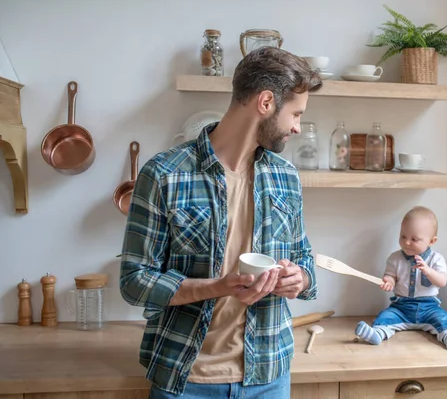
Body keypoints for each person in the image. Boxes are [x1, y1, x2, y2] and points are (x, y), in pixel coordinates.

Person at [119, 47, 322, 398]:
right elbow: (135, 282)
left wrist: (299, 278)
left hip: (269, 376)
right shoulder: (165, 173)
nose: (297, 127)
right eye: (296, 114)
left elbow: (305, 260)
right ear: (266, 102)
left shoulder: (286, 177)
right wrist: (219, 286)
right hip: (186, 379)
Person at [354, 206, 447, 350]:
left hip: (429, 307)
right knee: (386, 316)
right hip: (401, 307)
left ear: (431, 241)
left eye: (414, 239)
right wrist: (389, 281)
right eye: (403, 236)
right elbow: (391, 275)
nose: (406, 242)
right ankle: (377, 334)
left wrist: (428, 271)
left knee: (443, 319)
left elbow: (442, 281)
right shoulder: (395, 258)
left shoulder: (436, 259)